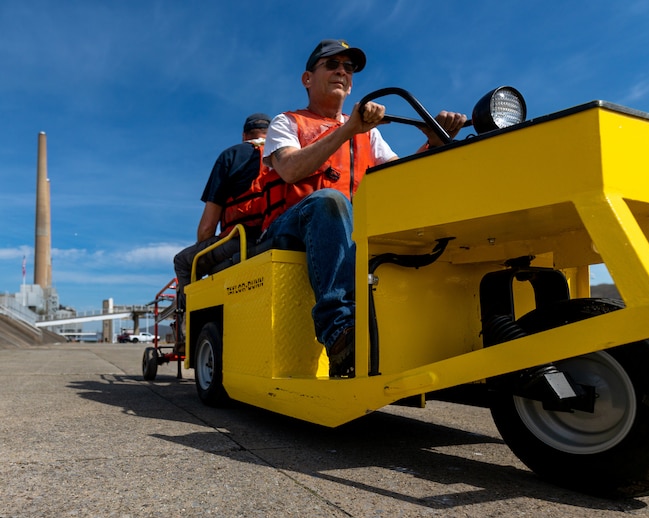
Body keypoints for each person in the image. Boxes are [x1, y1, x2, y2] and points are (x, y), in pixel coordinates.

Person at [261, 39, 466, 377]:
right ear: (307, 79)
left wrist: (434, 141)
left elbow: (399, 180)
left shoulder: (368, 135)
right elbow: (291, 170)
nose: (342, 71)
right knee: (330, 200)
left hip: (349, 228)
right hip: (292, 226)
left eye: (349, 68)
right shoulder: (287, 122)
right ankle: (339, 330)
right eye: (332, 64)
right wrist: (348, 130)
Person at [173, 113, 271, 315]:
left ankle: (185, 327)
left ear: (245, 136)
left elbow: (207, 227)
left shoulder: (231, 156)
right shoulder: (286, 156)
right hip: (276, 236)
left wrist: (204, 249)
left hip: (241, 239)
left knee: (183, 262)